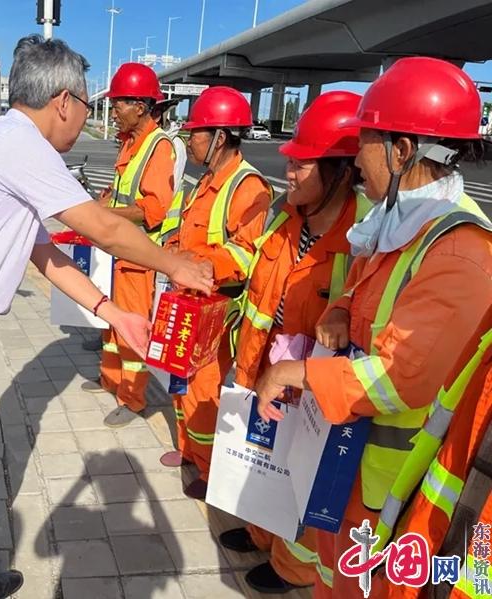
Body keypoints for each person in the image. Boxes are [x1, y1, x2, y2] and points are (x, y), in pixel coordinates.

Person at [0, 36, 212, 599]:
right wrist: (173, 264)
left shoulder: (6, 145)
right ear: (63, 101)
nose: (87, 118)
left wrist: (111, 312)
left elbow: (46, 255)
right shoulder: (21, 145)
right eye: (87, 106)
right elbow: (100, 227)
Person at [253, 57, 492, 597]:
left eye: (365, 139)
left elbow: (398, 378)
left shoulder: (459, 254)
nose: (356, 157)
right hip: (355, 459)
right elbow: (360, 289)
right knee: (333, 575)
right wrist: (339, 311)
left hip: (397, 484)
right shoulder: (398, 224)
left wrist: (294, 373)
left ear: (402, 151)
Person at [216, 91, 367, 593]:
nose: (291, 172)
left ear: (343, 171)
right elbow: (252, 261)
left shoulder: (363, 236)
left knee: (301, 475)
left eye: (304, 164)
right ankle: (262, 533)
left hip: (312, 391)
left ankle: (294, 568)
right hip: (264, 365)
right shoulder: (287, 215)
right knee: (265, 461)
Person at [157, 86, 273, 500]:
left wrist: (202, 266)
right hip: (189, 297)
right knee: (181, 379)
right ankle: (189, 451)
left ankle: (207, 469)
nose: (189, 140)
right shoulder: (205, 180)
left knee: (205, 388)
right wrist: (171, 255)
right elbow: (184, 230)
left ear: (220, 137)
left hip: (217, 304)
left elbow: (246, 253)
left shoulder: (249, 186)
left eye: (196, 134)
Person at [81, 62, 177, 428]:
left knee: (133, 328)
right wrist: (96, 209)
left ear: (140, 105)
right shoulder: (131, 143)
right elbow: (118, 194)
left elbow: (153, 209)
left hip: (139, 258)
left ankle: (133, 398)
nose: (114, 110)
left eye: (119, 103)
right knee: (112, 322)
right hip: (119, 252)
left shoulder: (158, 146)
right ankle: (110, 379)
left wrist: (106, 218)